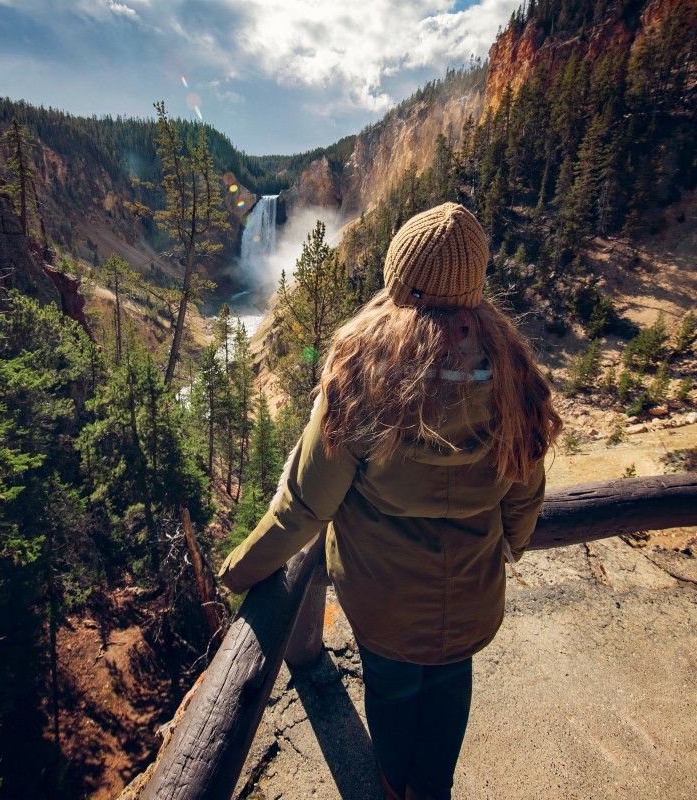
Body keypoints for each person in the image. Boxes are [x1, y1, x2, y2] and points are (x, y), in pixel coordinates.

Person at [218, 203, 562, 800]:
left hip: (384, 608)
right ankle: (433, 791)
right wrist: (515, 545)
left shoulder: (360, 380)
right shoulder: (516, 380)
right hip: (473, 601)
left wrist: (240, 571)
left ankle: (390, 786)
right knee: (451, 692)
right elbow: (524, 496)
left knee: (393, 695)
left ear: (399, 282)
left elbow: (304, 507)